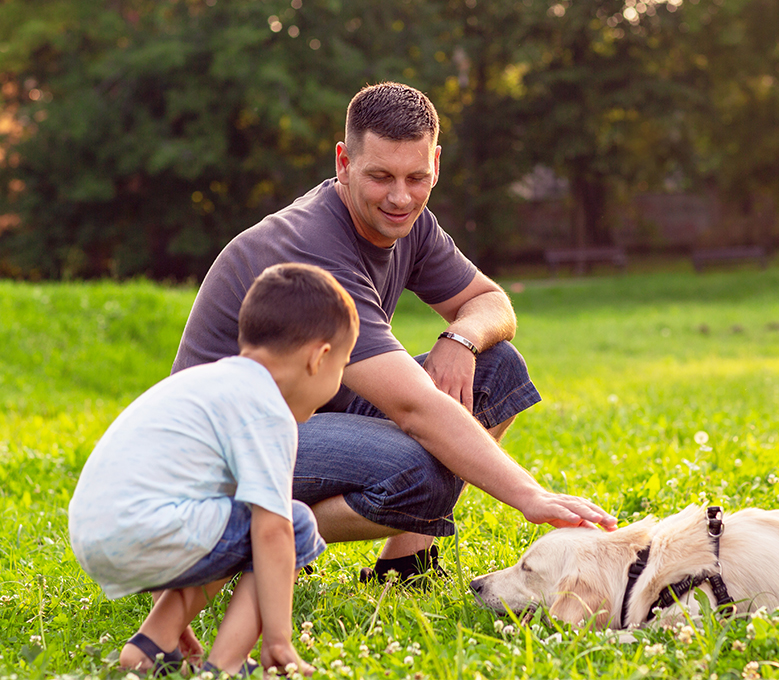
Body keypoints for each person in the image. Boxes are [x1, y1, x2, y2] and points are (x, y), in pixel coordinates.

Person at [172, 82, 616, 585]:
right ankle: (246, 540)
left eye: (416, 177)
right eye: (380, 176)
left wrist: (461, 338)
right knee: (417, 470)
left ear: (436, 164)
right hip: (225, 453)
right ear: (343, 162)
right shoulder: (314, 244)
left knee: (499, 368)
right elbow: (414, 409)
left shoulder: (410, 223)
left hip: (311, 409)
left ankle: (405, 565)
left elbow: (490, 302)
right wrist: (531, 496)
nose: (401, 197)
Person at [71, 263, 357, 676]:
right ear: (319, 357)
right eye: (343, 366)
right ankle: (226, 664)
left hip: (98, 533)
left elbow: (182, 507)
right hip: (146, 529)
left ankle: (152, 645)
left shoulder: (209, 383)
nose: (339, 380)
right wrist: (278, 639)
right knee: (292, 523)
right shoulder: (266, 408)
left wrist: (171, 611)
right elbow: (272, 530)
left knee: (232, 521)